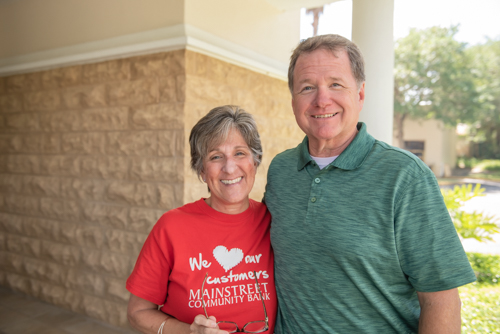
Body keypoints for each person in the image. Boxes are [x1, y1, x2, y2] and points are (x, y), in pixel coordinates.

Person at [264, 34, 476, 333]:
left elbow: (440, 300)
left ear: (360, 95)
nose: (322, 99)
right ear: (293, 100)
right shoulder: (281, 170)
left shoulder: (405, 175)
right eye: (307, 87)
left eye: (336, 84)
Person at [127, 105, 277, 334]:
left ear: (254, 162)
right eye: (216, 157)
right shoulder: (172, 227)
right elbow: (138, 313)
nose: (229, 167)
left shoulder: (273, 222)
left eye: (240, 153)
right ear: (202, 171)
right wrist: (188, 331)